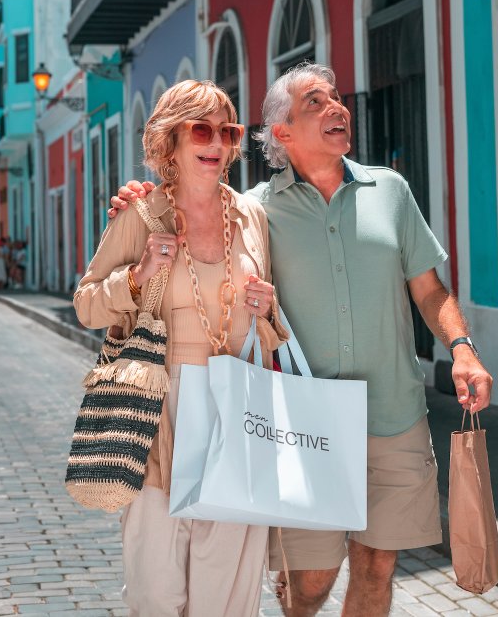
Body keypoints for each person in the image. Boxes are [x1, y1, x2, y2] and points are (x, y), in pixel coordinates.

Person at [109, 63, 493, 617]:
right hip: (301, 427)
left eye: (337, 99)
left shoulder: (390, 190)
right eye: (316, 102)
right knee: (311, 582)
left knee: (378, 566)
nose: (338, 107)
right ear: (282, 133)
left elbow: (430, 289)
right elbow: (188, 207)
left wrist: (462, 349)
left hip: (393, 414)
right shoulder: (253, 211)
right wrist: (136, 204)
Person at [75, 80, 288, 617]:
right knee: (156, 595)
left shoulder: (251, 217)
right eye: (201, 128)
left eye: (228, 130)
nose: (216, 141)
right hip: (157, 422)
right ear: (170, 139)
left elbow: (270, 328)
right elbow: (86, 305)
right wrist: (139, 275)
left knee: (230, 598)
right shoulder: (140, 216)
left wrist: (269, 309)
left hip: (236, 419)